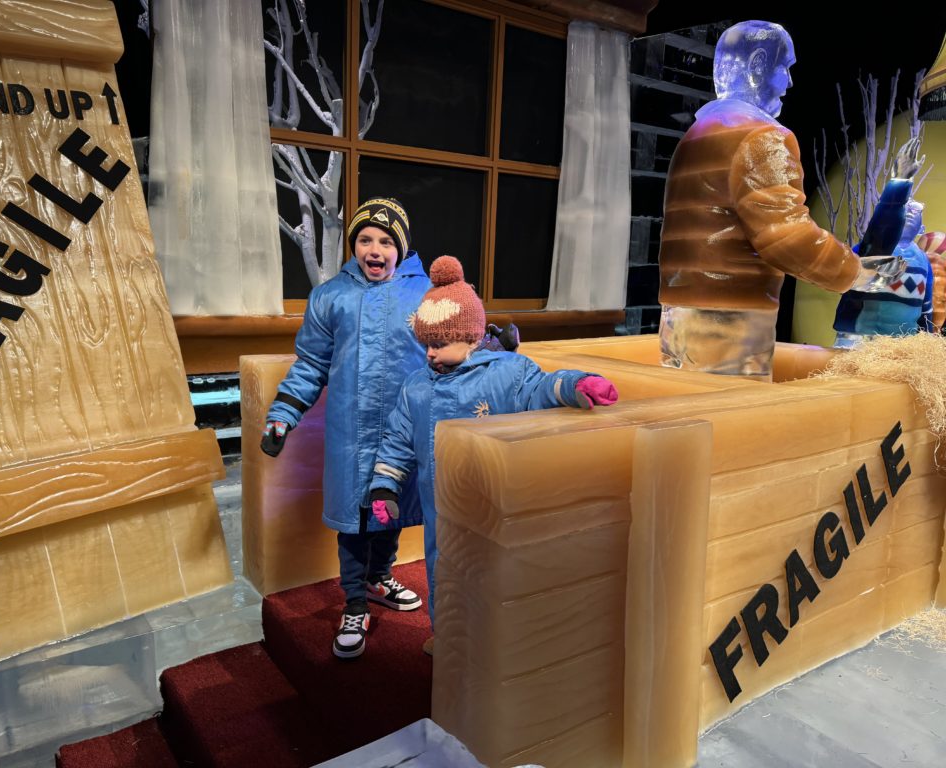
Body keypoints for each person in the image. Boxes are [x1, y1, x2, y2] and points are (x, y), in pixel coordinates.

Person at [367, 256, 619, 655]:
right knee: (441, 569)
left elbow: (542, 387)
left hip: (493, 503)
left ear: (470, 337)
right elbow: (397, 440)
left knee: (494, 572)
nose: (430, 354)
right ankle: (448, 636)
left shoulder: (507, 373)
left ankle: (499, 647)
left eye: (439, 343)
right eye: (426, 345)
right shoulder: (416, 387)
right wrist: (385, 488)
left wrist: (575, 385)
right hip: (440, 506)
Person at [657, 20, 904, 380]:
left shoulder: (693, 136)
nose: (789, 82)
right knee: (735, 423)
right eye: (785, 67)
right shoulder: (760, 135)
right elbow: (785, 236)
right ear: (758, 64)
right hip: (732, 320)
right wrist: (856, 272)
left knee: (687, 417)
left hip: (677, 315)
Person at [262, 197, 430, 660]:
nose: (374, 249)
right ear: (354, 245)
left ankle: (379, 579)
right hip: (350, 434)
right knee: (356, 519)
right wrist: (283, 415)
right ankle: (355, 602)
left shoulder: (426, 295)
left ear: (400, 246)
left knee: (387, 508)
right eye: (364, 239)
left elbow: (453, 349)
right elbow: (311, 364)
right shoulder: (331, 296)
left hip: (402, 433)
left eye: (384, 240)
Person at [833, 196, 935, 346]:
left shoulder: (924, 262)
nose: (910, 212)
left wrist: (927, 338)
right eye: (905, 208)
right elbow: (844, 279)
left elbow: (926, 305)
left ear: (922, 229)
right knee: (847, 367)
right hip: (857, 335)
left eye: (916, 210)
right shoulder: (870, 248)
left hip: (902, 342)